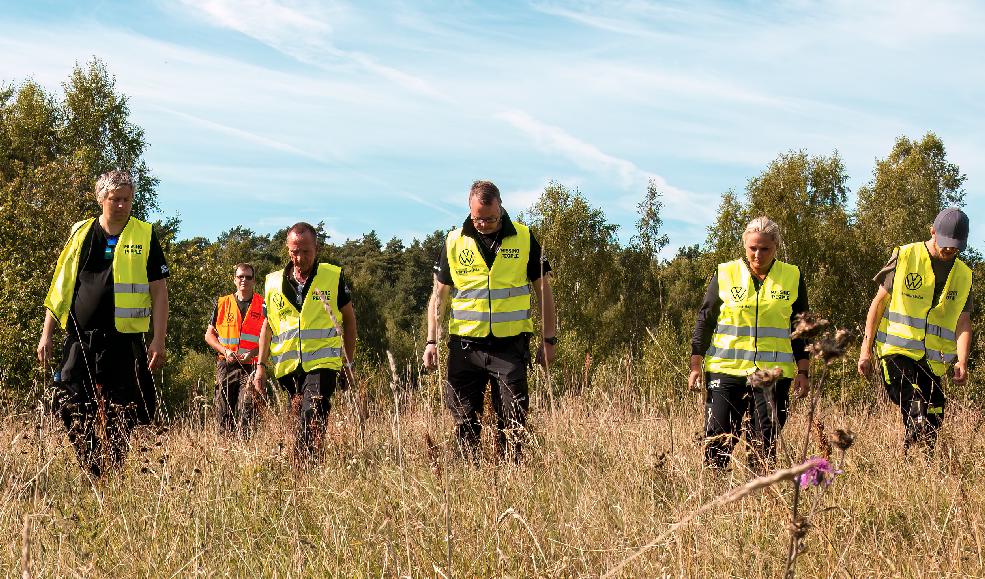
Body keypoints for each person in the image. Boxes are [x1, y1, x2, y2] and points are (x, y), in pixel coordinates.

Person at [37, 170, 169, 477]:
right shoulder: (81, 233)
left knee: (121, 409)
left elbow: (159, 292)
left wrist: (158, 339)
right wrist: (47, 333)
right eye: (115, 199)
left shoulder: (145, 234)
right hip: (80, 338)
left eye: (127, 199)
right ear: (101, 199)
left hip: (124, 341)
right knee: (67, 401)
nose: (122, 205)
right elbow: (61, 286)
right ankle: (92, 465)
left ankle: (112, 470)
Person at [423, 180, 557, 462]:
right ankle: (468, 477)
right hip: (465, 346)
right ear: (469, 210)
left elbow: (544, 290)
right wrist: (431, 341)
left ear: (501, 207)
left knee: (513, 418)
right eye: (478, 218)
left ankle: (512, 474)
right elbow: (438, 296)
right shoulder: (454, 241)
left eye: (490, 218)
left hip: (509, 346)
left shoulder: (524, 237)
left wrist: (549, 339)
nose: (483, 224)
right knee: (464, 418)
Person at [688, 216, 810, 471]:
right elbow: (705, 319)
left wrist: (803, 371)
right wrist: (696, 363)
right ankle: (715, 499)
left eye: (765, 248)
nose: (758, 254)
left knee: (764, 446)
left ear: (775, 247)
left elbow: (801, 326)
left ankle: (760, 502)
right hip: (726, 370)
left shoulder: (792, 276)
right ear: (745, 246)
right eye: (753, 248)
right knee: (717, 443)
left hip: (773, 375)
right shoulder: (725, 273)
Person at [858, 207, 973, 452]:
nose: (949, 250)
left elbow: (963, 322)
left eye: (956, 246)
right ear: (932, 232)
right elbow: (878, 304)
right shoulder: (906, 255)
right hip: (895, 351)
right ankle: (914, 455)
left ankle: (917, 460)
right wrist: (865, 350)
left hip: (932, 360)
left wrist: (962, 360)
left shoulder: (963, 274)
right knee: (916, 404)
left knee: (935, 410)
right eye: (945, 244)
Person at [254, 223, 356, 462]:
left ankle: (302, 468)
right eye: (294, 252)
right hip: (287, 369)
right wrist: (260, 367)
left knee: (313, 411)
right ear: (287, 249)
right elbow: (267, 326)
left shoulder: (333, 276)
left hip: (323, 363)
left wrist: (348, 363)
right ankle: (310, 464)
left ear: (316, 248)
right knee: (300, 417)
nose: (299, 258)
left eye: (305, 252)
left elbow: (350, 321)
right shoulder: (272, 282)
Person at [204, 263, 264, 436]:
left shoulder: (263, 304)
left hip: (251, 367)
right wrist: (225, 351)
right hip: (226, 364)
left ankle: (246, 453)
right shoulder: (222, 303)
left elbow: (270, 337)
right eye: (240, 276)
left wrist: (253, 353)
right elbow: (209, 335)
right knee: (223, 414)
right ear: (234, 279)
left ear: (254, 281)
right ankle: (225, 451)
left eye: (248, 277)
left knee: (248, 413)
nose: (244, 280)